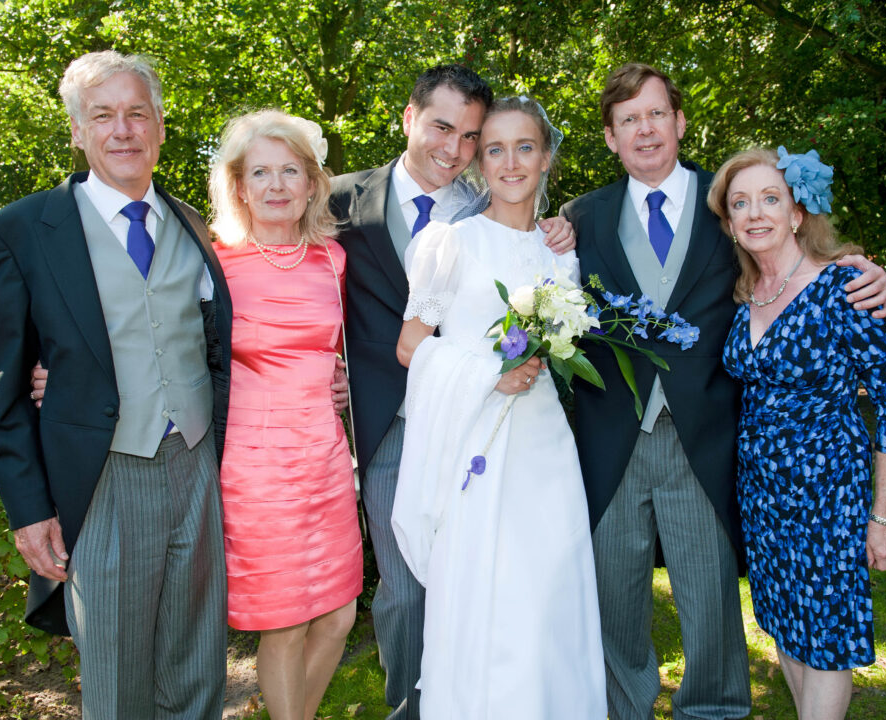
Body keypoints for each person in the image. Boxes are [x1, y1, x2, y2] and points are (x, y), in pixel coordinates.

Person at [559, 63, 886, 720]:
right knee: (613, 604)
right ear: (610, 136)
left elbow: (793, 262)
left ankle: (713, 710)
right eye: (629, 119)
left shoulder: (732, 204)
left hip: (708, 439)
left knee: (710, 603)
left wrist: (860, 270)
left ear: (680, 122)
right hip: (610, 441)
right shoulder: (580, 219)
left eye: (657, 114)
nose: (645, 129)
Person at [0, 50, 231, 718]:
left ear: (160, 127)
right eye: (102, 116)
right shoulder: (19, 232)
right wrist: (28, 509)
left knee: (199, 666)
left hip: (196, 462)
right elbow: (6, 385)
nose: (123, 130)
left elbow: (216, 345)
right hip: (103, 476)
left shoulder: (192, 225)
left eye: (137, 114)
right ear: (77, 130)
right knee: (117, 681)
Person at [328, 64, 575, 719]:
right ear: (409, 118)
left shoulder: (489, 204)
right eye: (442, 128)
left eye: (470, 137)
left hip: (494, 427)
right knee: (408, 590)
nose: (455, 149)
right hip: (389, 421)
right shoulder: (337, 202)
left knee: (491, 581)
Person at [393, 94, 605, 719]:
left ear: (546, 159)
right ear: (480, 163)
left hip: (546, 449)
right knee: (489, 597)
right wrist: (491, 374)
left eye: (524, 148)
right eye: (495, 150)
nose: (510, 163)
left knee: (549, 595)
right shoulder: (450, 243)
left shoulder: (560, 251)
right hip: (478, 446)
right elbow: (410, 346)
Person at [708, 146, 886, 719]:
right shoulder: (746, 293)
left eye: (770, 199)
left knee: (825, 640)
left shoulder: (845, 288)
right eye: (740, 203)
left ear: (797, 212)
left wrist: (881, 516)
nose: (755, 213)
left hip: (827, 498)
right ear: (730, 222)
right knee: (786, 627)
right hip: (762, 499)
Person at [208, 109, 362, 720]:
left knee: (340, 614)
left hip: (325, 455)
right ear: (239, 187)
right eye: (261, 172)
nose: (277, 185)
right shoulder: (215, 264)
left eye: (290, 171)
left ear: (312, 183)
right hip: (255, 467)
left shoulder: (333, 259)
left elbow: (336, 346)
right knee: (286, 622)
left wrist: (340, 378)